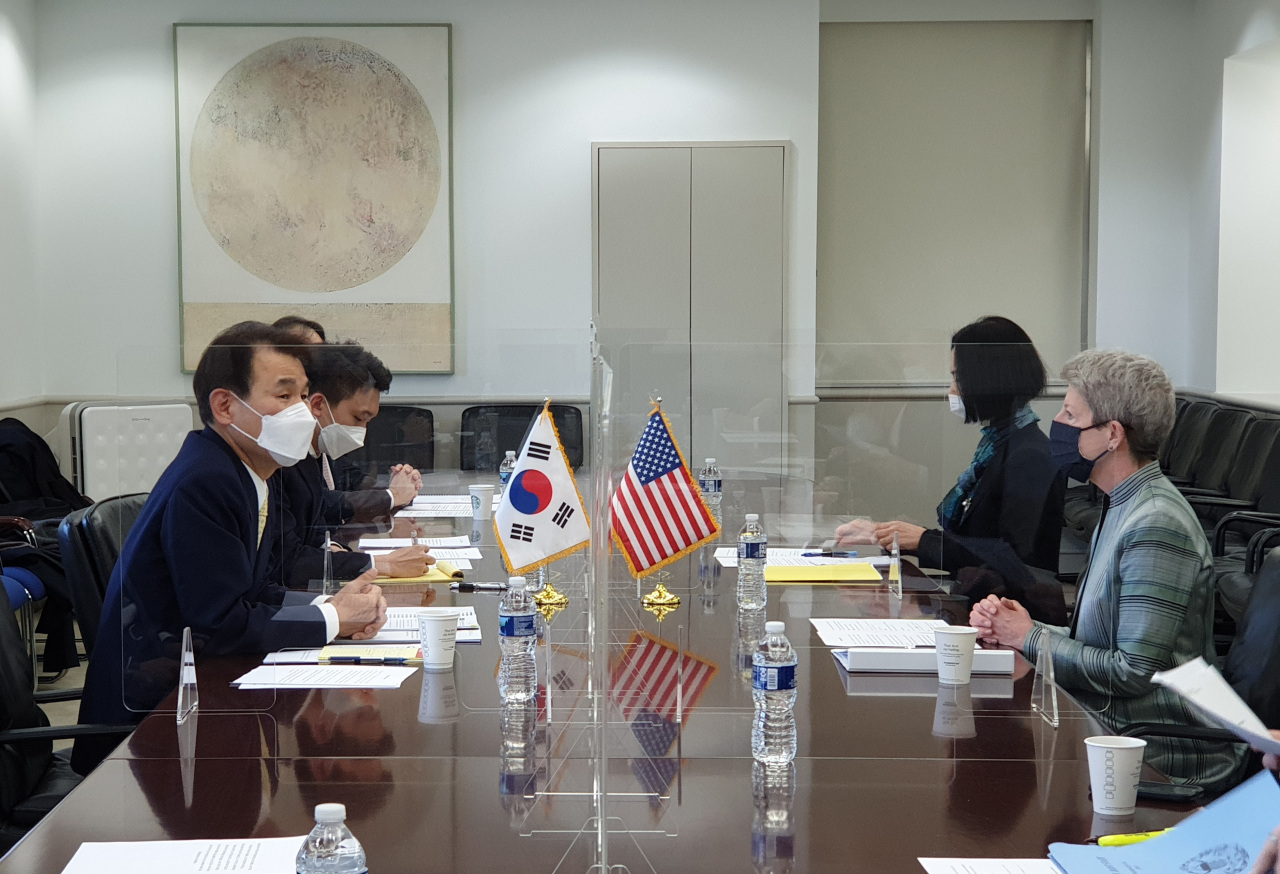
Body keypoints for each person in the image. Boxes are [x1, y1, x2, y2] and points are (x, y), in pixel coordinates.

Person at [73, 321, 388, 775]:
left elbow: (255, 590)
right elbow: (219, 623)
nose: (302, 412)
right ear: (225, 405)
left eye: (302, 396)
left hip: (196, 693)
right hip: (150, 729)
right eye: (284, 396)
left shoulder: (242, 473)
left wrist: (331, 606)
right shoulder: (207, 481)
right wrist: (333, 618)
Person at [970, 349, 1246, 793]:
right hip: (1114, 730)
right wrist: (1013, 628)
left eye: (1070, 413)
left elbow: (1130, 672)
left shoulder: (1156, 523)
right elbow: (1097, 646)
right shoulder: (1122, 502)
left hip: (1160, 751)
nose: (1056, 422)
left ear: (1112, 433)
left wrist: (1028, 636)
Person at [834, 316, 1064, 594]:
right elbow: (973, 542)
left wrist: (921, 540)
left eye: (957, 378)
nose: (951, 390)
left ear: (986, 379)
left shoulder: (1029, 455)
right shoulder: (995, 445)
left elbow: (1014, 561)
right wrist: (889, 534)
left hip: (1004, 612)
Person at [277, 341, 433, 588]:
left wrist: (336, 549)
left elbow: (318, 528)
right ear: (317, 405)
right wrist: (381, 563)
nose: (362, 431)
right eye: (358, 418)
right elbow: (286, 563)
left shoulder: (315, 454)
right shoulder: (282, 461)